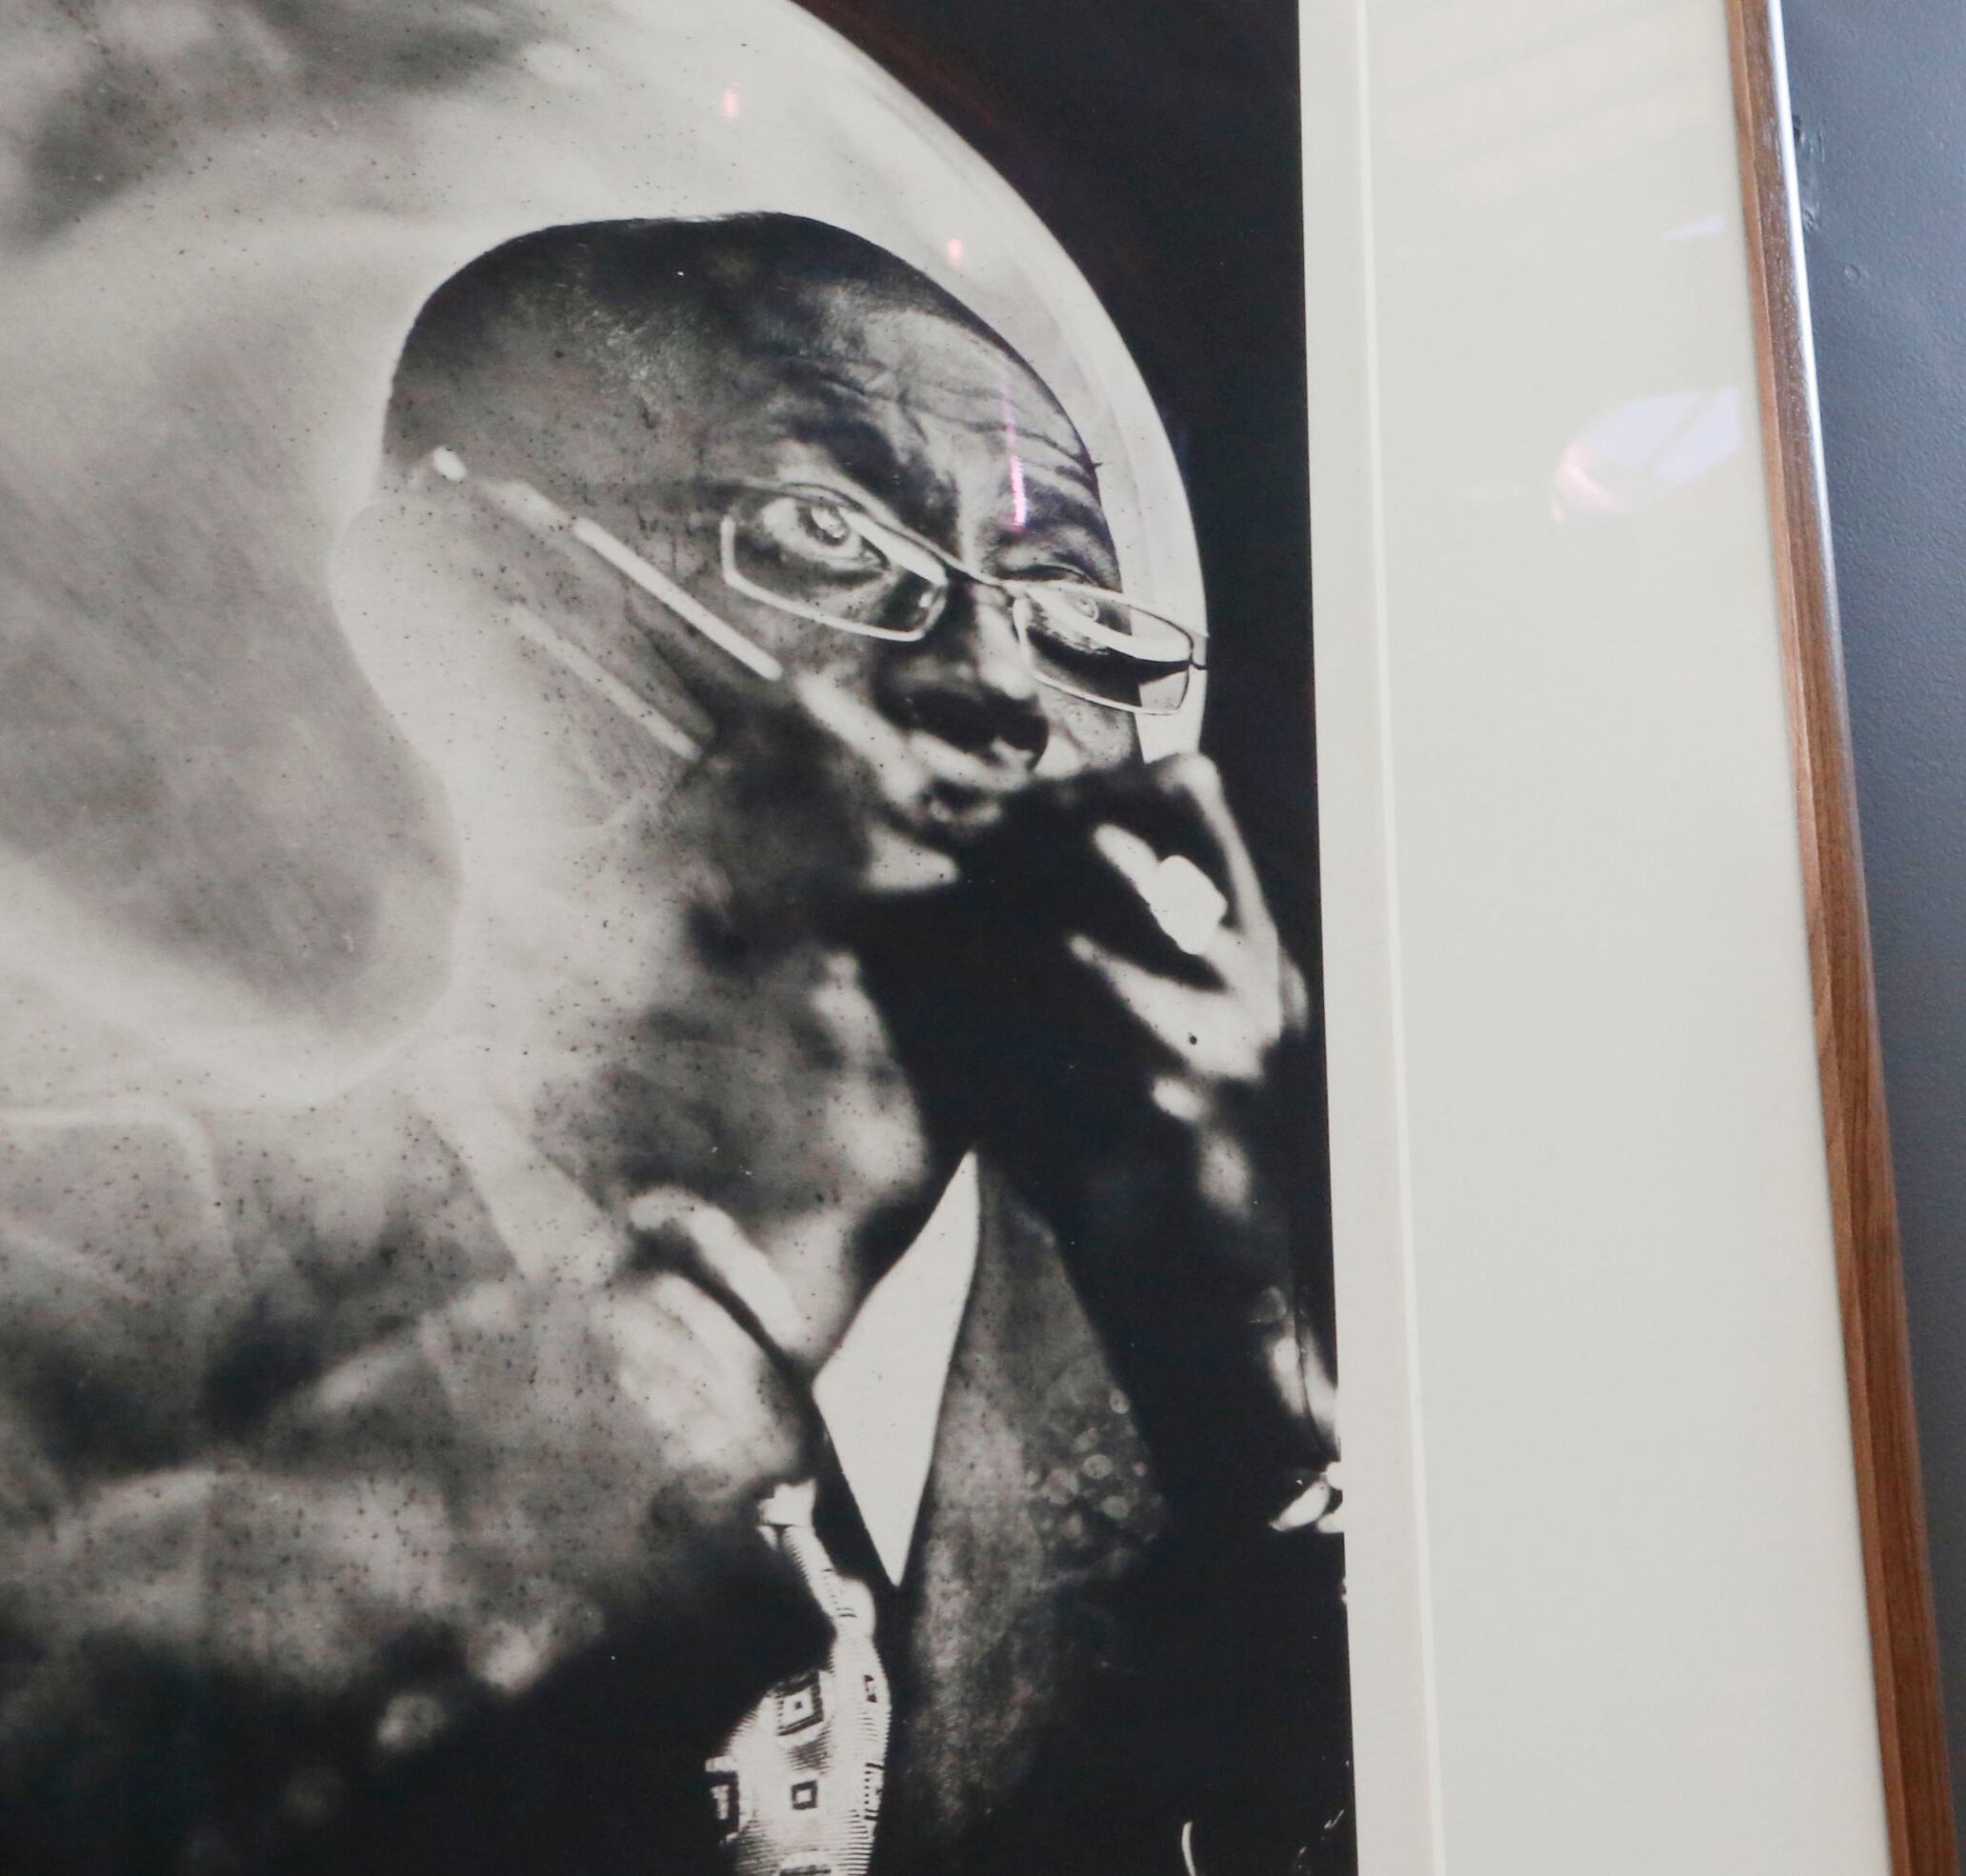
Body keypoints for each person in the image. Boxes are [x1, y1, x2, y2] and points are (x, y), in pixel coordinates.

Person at [0, 215, 1337, 1874]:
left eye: (1082, 627)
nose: (995, 684)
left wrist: (1257, 1428)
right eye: (819, 533)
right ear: (445, 603)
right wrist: (758, 1245)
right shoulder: (76, 1267)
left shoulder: (1230, 1391)